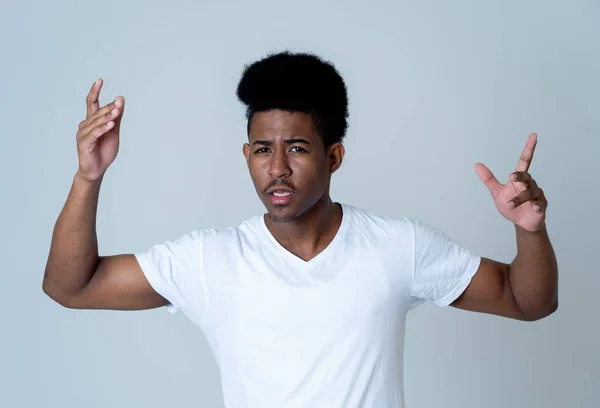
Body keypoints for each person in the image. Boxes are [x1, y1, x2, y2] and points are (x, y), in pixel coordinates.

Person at [43, 51, 558, 408]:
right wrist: (89, 177)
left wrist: (529, 231)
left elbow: (526, 299)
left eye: (298, 147)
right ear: (247, 155)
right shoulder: (210, 260)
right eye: (263, 150)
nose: (278, 169)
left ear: (333, 156)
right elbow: (71, 286)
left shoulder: (399, 246)